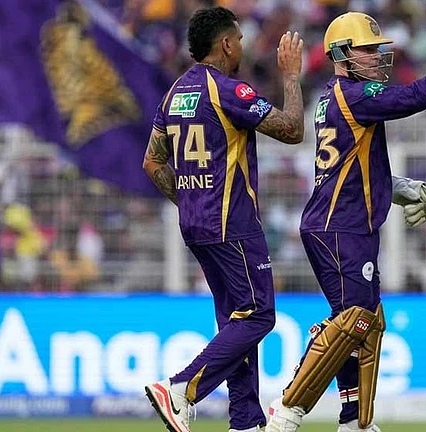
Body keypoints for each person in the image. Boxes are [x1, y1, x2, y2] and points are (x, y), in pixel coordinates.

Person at [266, 11, 426, 432]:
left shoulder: (334, 96)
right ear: (341, 55)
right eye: (366, 50)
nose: (375, 57)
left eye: (376, 49)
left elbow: (353, 162)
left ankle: (355, 421)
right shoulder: (353, 94)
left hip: (343, 222)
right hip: (340, 226)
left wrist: (396, 187)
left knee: (367, 321)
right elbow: (410, 99)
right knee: (354, 319)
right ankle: (289, 406)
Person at [141, 6, 304, 432]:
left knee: (236, 321)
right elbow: (291, 129)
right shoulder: (228, 90)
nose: (242, 48)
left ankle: (246, 420)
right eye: (240, 40)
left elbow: (152, 162)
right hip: (233, 223)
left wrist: (190, 198)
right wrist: (290, 76)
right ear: (227, 43)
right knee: (259, 315)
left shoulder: (175, 93)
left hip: (196, 225)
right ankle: (180, 389)